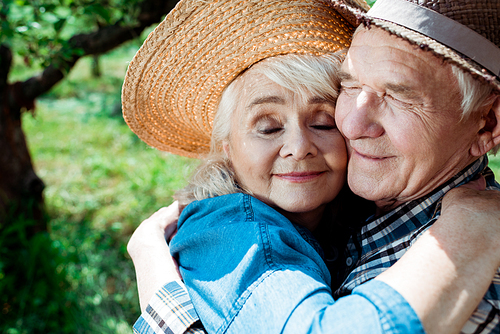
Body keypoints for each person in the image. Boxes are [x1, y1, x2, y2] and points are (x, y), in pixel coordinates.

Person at [123, 0, 500, 333]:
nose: (350, 126)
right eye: (350, 87)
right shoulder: (237, 226)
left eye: (323, 123)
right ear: (227, 147)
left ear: (488, 125)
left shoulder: (474, 275)